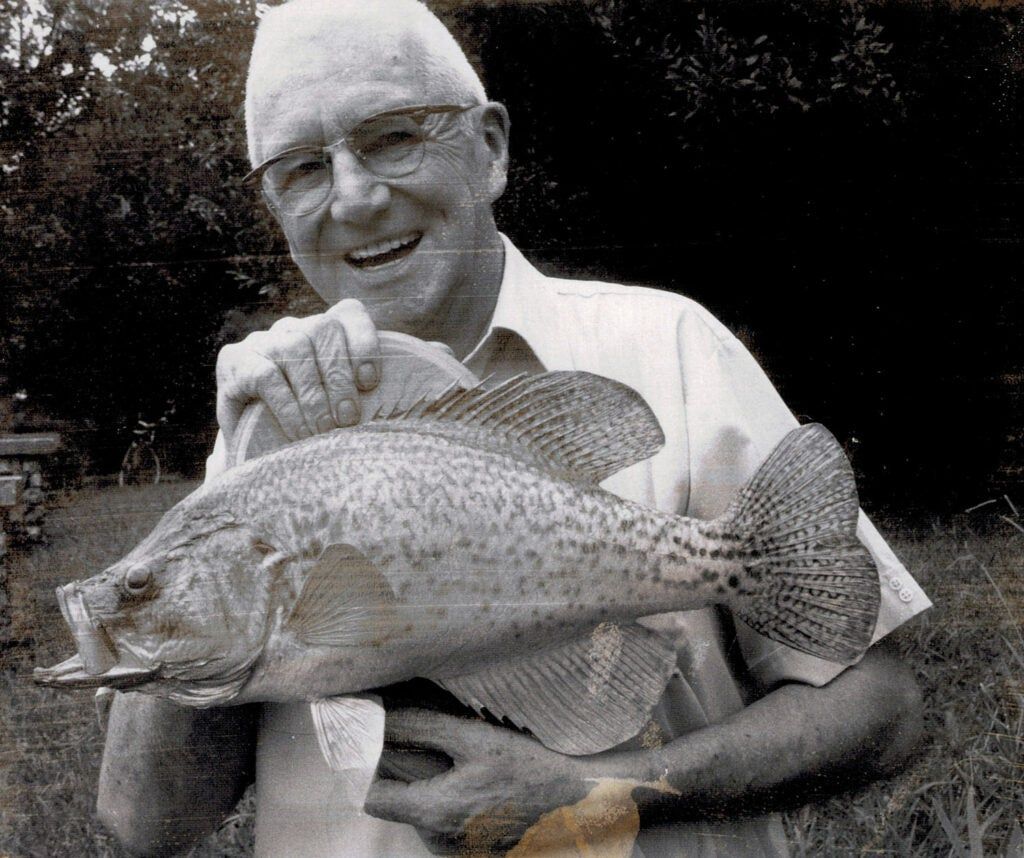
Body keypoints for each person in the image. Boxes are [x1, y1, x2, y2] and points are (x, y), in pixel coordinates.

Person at [96, 1, 930, 856]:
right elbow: (143, 825)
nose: (353, 195)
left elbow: (882, 711)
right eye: (302, 168)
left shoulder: (668, 348)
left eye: (392, 137)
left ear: (490, 147)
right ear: (272, 201)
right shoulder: (264, 431)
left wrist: (605, 799)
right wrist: (233, 473)